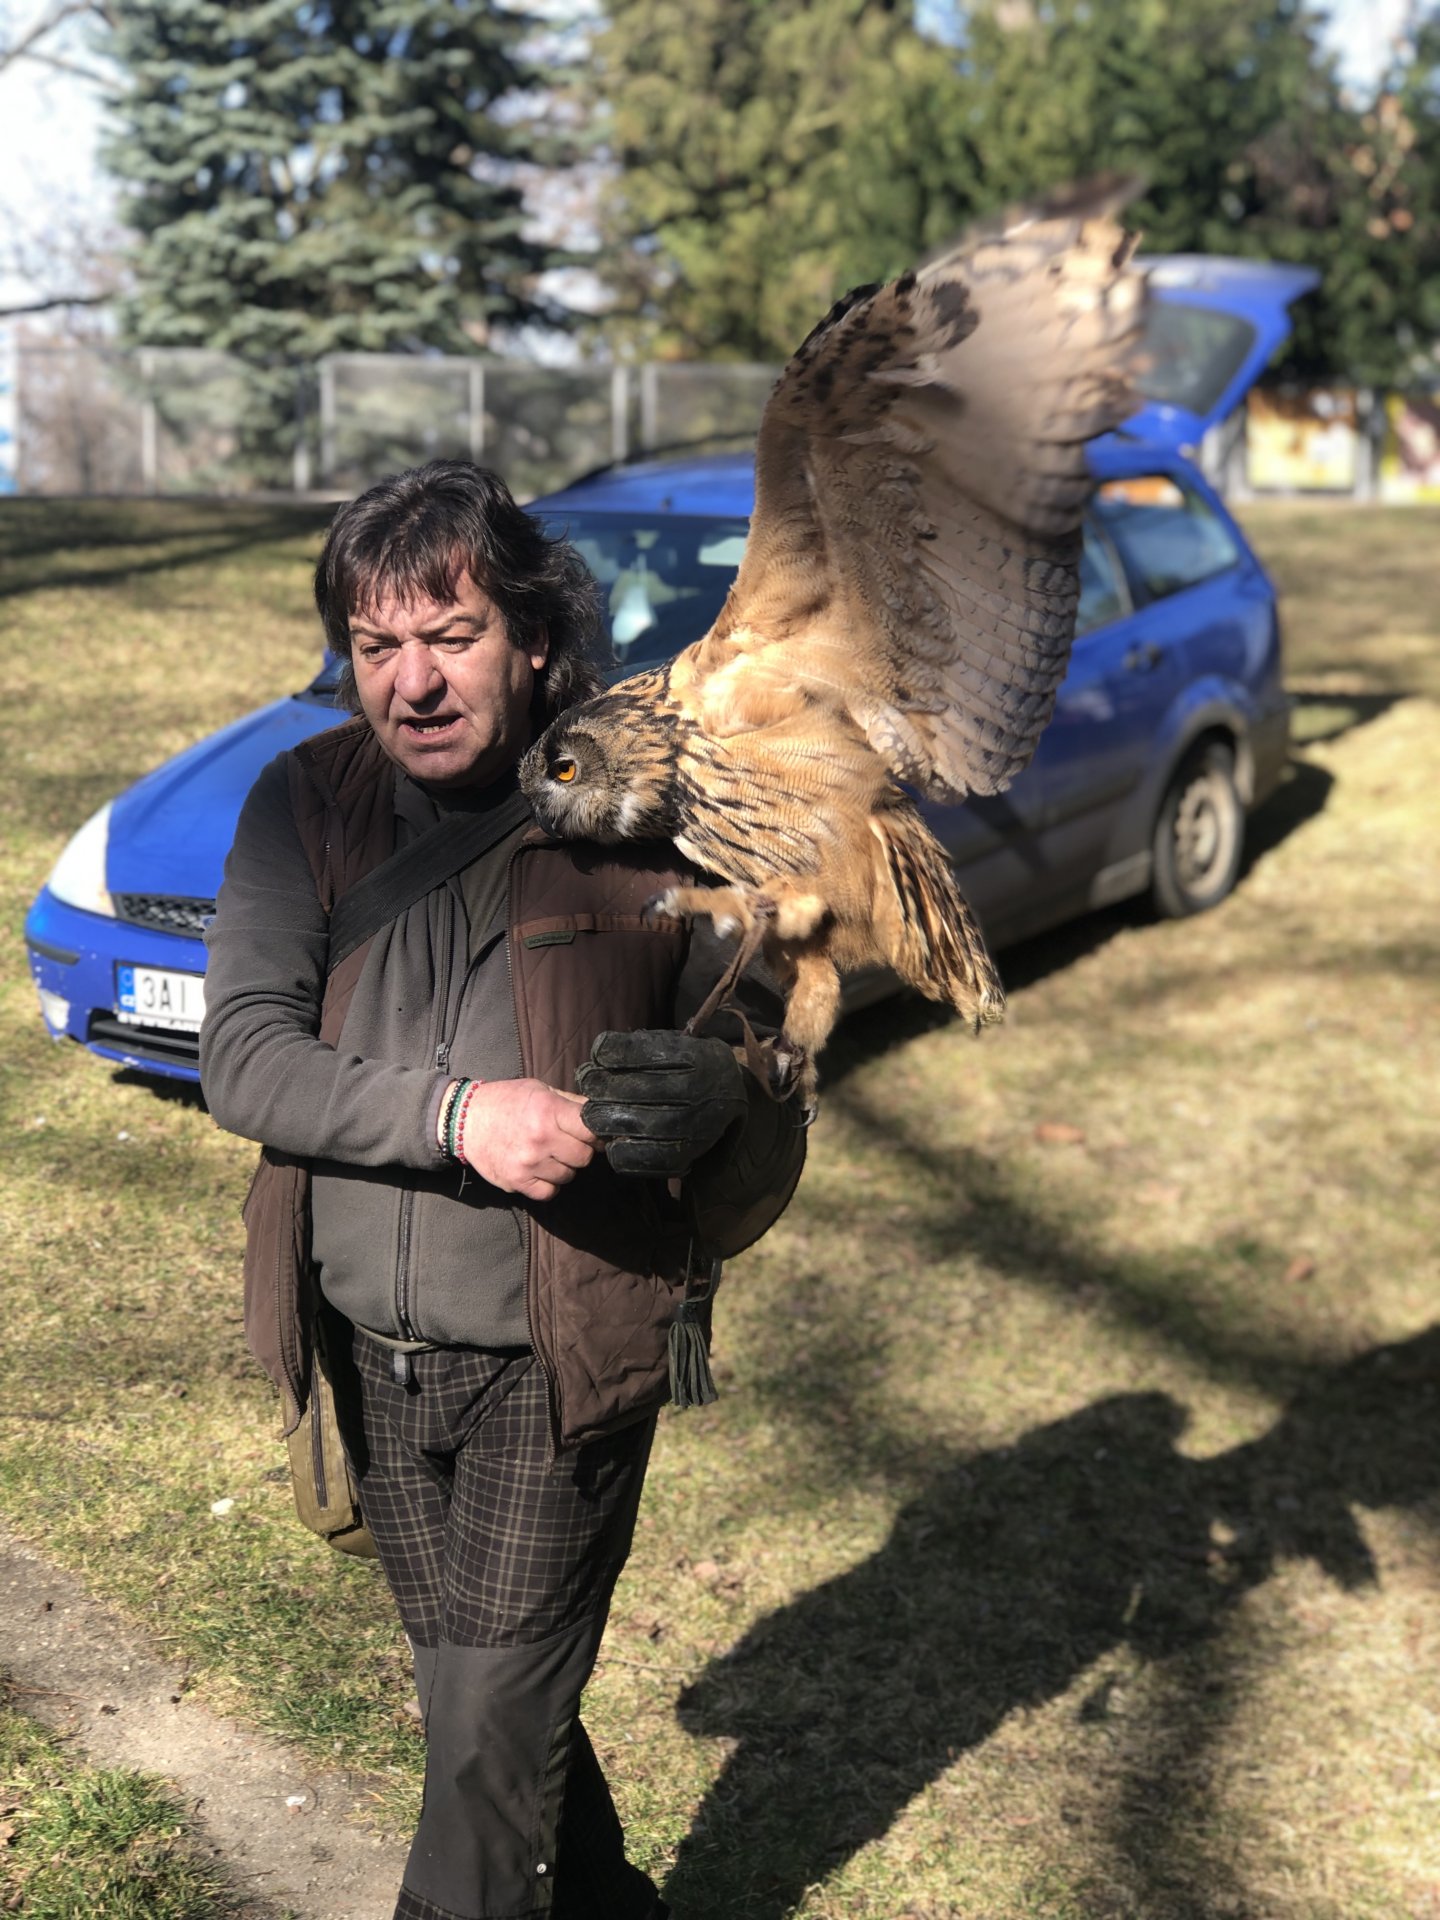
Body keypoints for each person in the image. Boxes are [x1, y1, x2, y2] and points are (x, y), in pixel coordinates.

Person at [200, 460, 807, 1920]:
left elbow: (761, 1039)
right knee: (483, 1707)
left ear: (532, 638)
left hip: (560, 1361)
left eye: (450, 635)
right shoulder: (306, 804)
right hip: (369, 1354)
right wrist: (460, 1114)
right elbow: (244, 1058)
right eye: (375, 645)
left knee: (481, 1737)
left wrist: (721, 1090)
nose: (410, 683)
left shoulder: (656, 814)